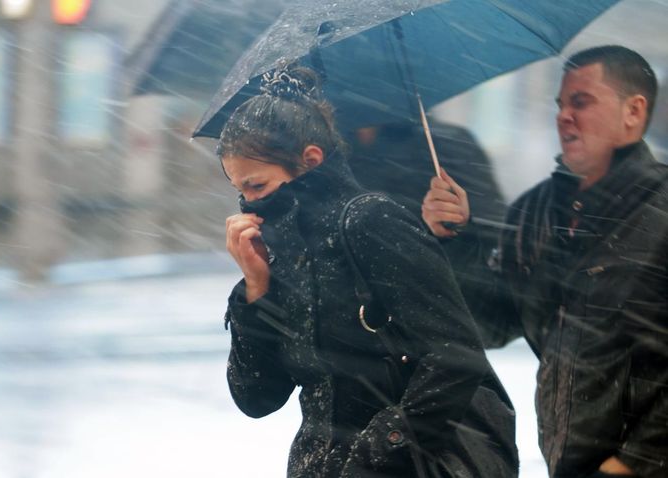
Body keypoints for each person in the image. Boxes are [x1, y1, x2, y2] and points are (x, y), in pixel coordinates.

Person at [220, 64, 519, 477]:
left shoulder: (369, 221)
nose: (248, 205)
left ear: (310, 160)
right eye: (239, 191)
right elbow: (257, 397)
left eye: (257, 186)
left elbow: (455, 358)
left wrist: (376, 452)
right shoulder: (286, 256)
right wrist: (256, 289)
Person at [422, 45, 668, 478]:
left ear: (634, 110)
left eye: (582, 101)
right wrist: (455, 241)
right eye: (560, 104)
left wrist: (633, 462)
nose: (564, 116)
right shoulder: (534, 214)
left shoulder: (661, 211)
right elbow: (494, 325)